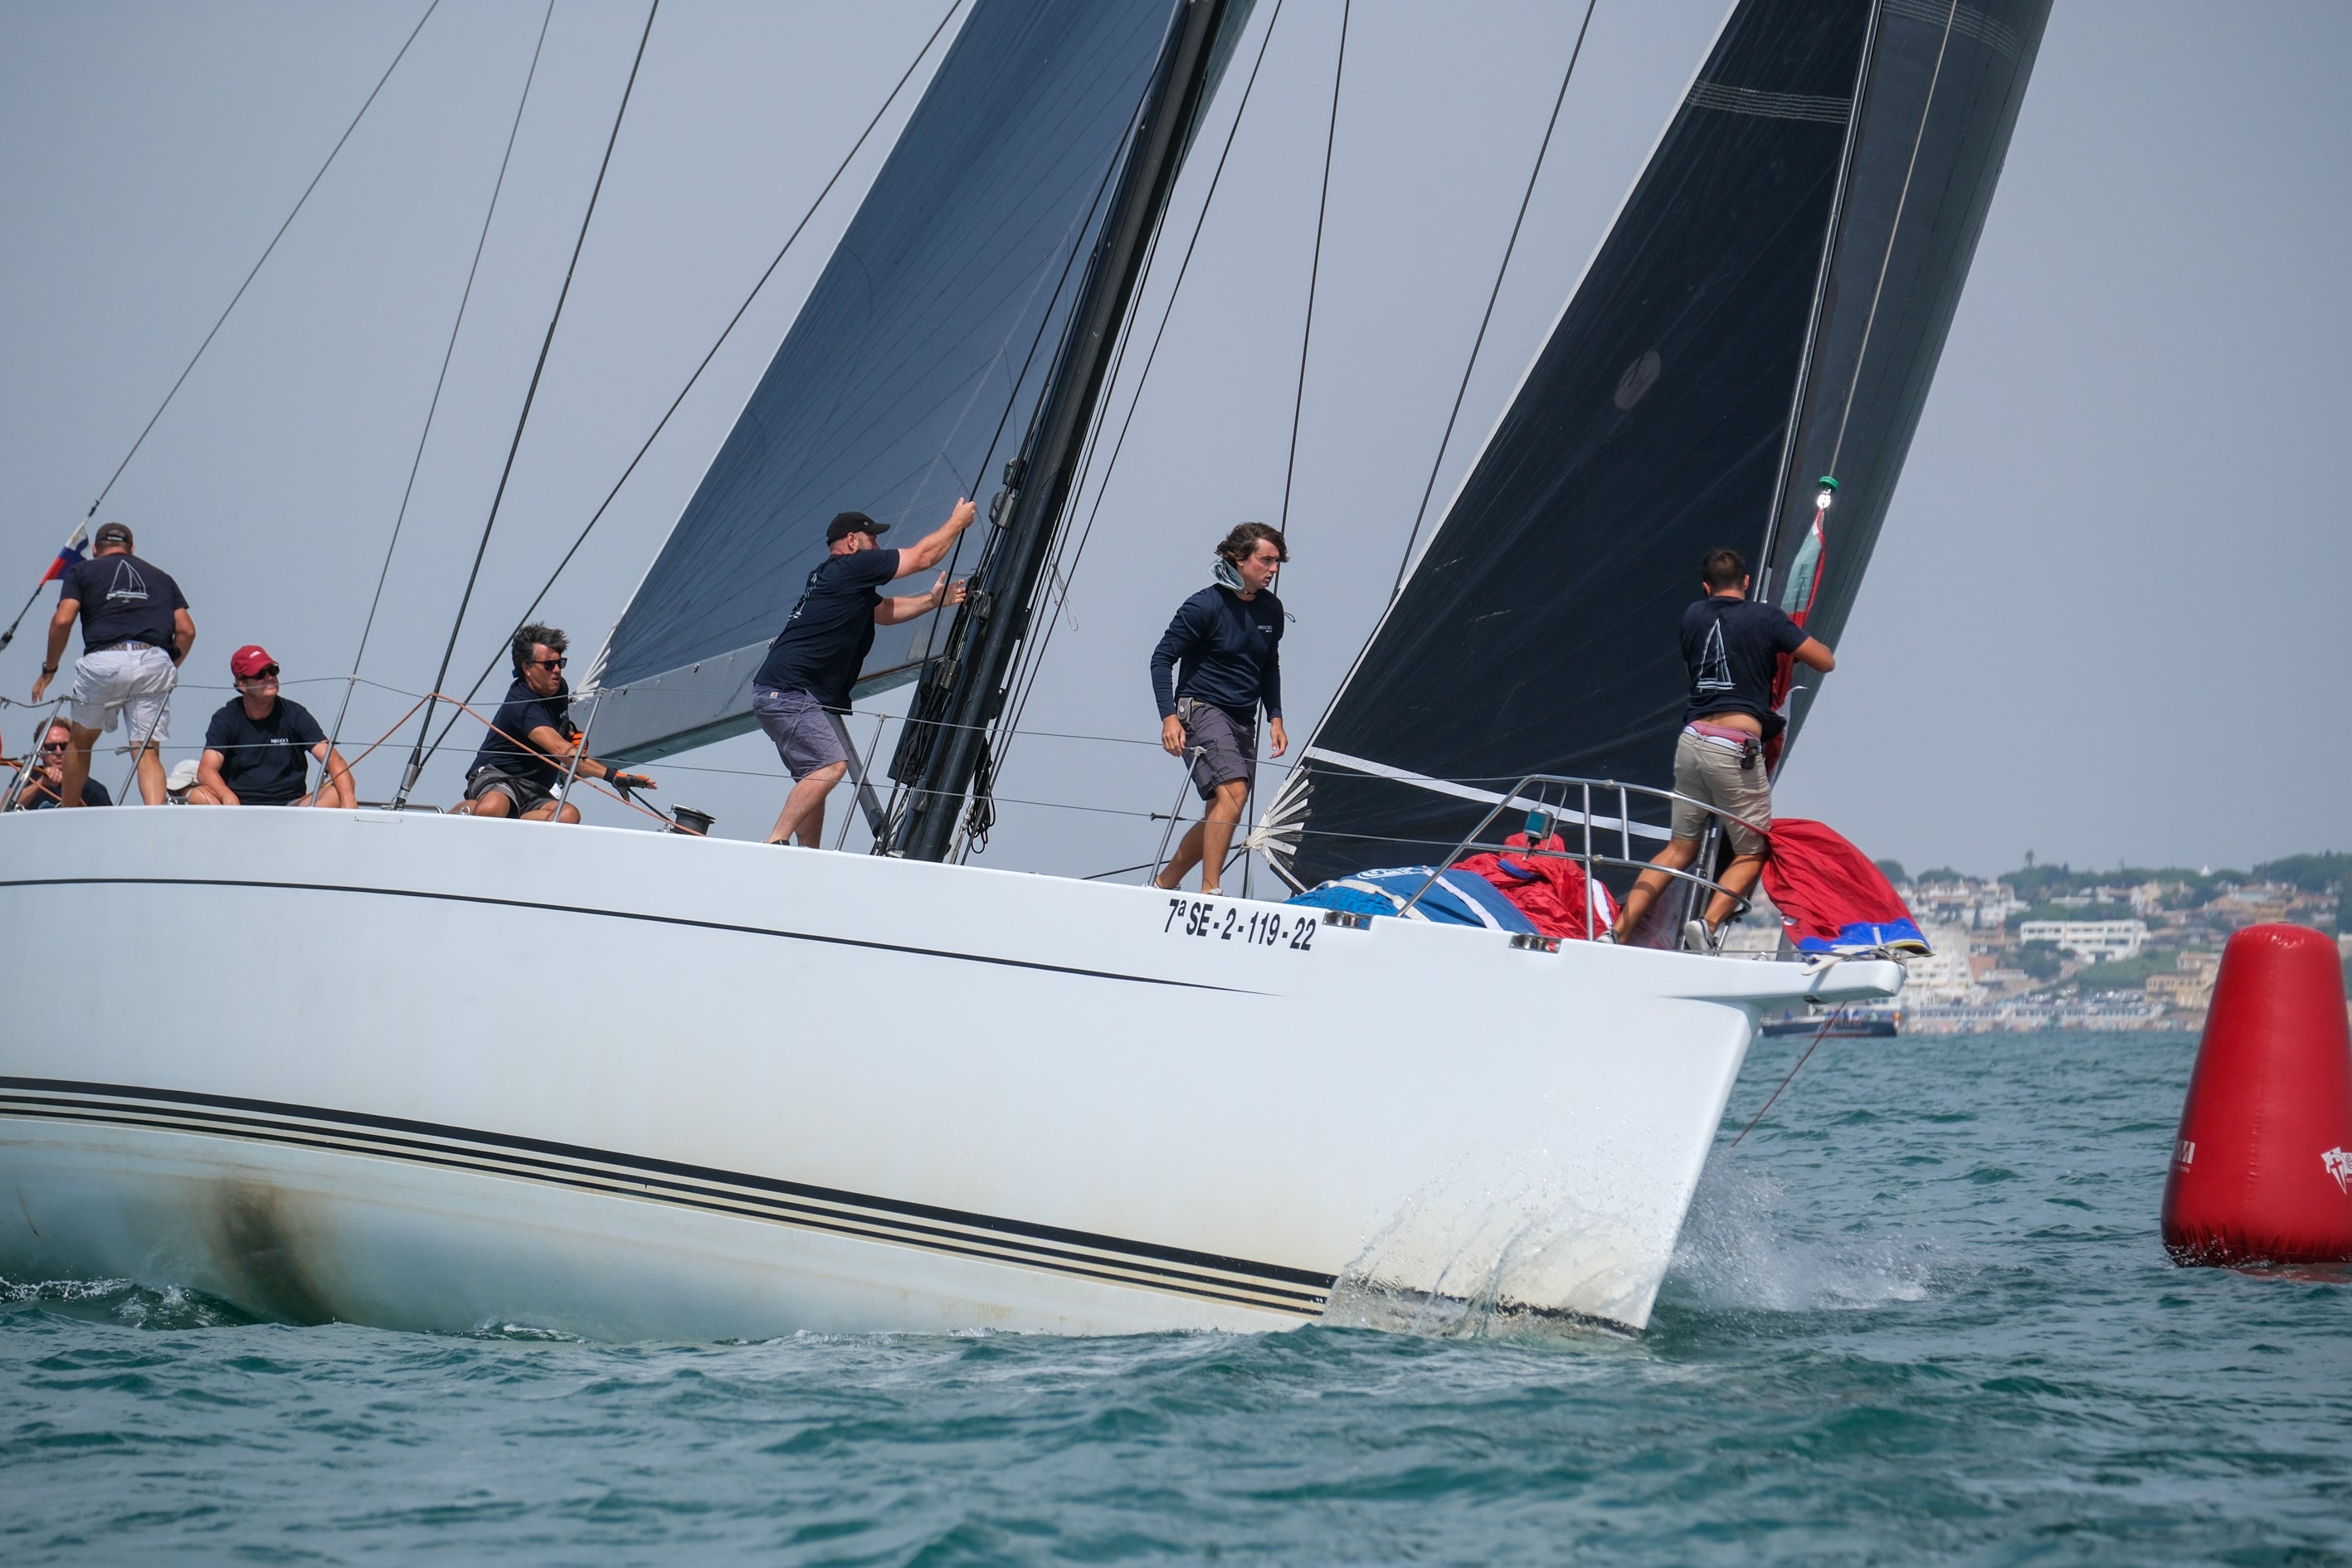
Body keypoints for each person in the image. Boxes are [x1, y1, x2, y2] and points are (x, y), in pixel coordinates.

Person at [1611, 547, 1835, 952]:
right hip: (1734, 748)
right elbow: (1825, 661)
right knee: (1754, 849)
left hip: (1691, 742)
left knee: (1679, 849)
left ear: (1706, 586)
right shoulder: (1767, 618)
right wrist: (1779, 642)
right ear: (1746, 582)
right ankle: (1708, 924)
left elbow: (1693, 673)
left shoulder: (1693, 616)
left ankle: (1618, 931)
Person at [751, 503, 972, 848]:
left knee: (815, 777)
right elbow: (922, 557)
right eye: (873, 539)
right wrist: (957, 523)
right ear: (852, 541)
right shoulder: (855, 566)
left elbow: (883, 612)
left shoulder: (836, 577)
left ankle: (806, 858)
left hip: (778, 691)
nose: (879, 548)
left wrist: (932, 601)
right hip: (790, 692)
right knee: (831, 766)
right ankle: (775, 841)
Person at [1148, 523, 1289, 896]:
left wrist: (1275, 716)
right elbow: (1161, 659)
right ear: (1240, 559)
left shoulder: (1271, 610)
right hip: (1201, 708)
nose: (1274, 570)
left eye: (1278, 562)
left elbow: (1268, 665)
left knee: (1224, 808)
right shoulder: (1204, 605)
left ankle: (1164, 883)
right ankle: (1211, 891)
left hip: (1244, 718)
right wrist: (1168, 718)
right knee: (1234, 792)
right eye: (1266, 560)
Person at [27, 520, 194, 806]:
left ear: (94, 549)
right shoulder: (161, 577)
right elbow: (187, 630)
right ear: (132, 549)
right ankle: (154, 816)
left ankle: (68, 812)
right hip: (153, 659)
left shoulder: (81, 571)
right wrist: (166, 668)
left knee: (80, 743)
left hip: (104, 660)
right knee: (146, 751)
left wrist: (49, 670)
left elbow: (63, 619)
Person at [455, 624, 654, 822]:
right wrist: (613, 776)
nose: (557, 670)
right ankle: (458, 815)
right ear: (527, 668)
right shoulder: (520, 704)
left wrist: (570, 736)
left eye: (560, 663)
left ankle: (513, 822)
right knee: (494, 807)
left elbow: (556, 732)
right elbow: (559, 749)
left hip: (535, 787)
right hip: (498, 777)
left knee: (568, 815)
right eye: (549, 665)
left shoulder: (559, 689)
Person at [187, 645, 355, 808]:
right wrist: (227, 796)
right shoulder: (226, 718)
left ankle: (299, 828)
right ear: (243, 685)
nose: (269, 677)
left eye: (273, 671)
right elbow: (206, 770)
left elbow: (332, 759)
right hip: (239, 807)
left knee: (341, 788)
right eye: (260, 674)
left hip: (292, 807)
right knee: (198, 795)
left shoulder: (294, 714)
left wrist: (349, 804)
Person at [10, 717, 113, 809]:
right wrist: (41, 783)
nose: (58, 752)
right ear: (40, 751)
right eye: (51, 747)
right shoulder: (27, 777)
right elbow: (4, 808)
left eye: (64, 746)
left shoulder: (92, 789)